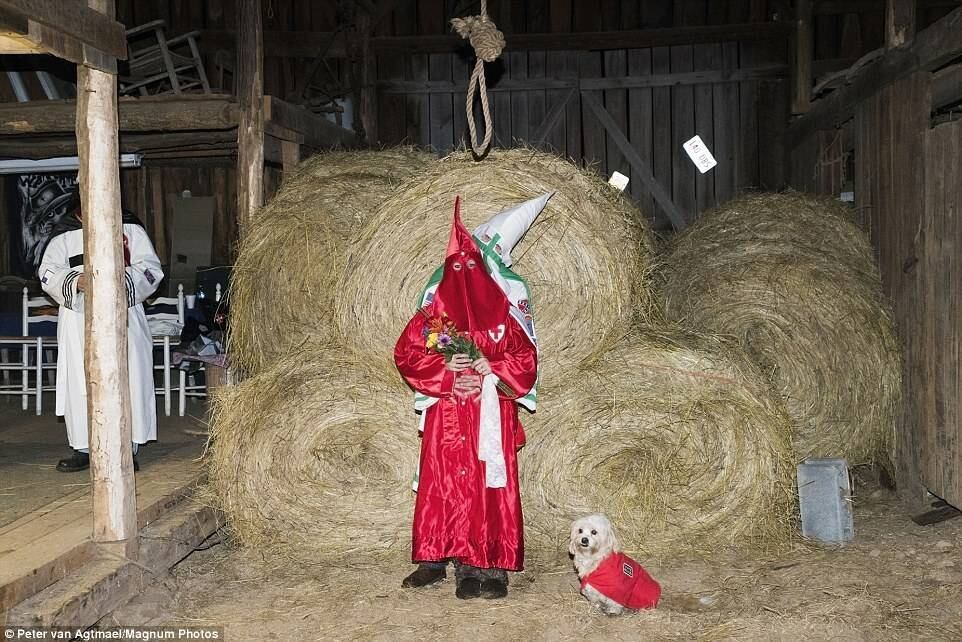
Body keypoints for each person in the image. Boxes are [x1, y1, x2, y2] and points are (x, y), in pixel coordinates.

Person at [394, 197, 538, 600]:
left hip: (492, 414)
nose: (464, 276)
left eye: (470, 268)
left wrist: (494, 369)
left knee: (490, 487)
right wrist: (446, 375)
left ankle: (492, 565)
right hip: (449, 417)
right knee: (443, 485)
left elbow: (526, 360)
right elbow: (406, 353)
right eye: (456, 268)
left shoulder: (504, 318)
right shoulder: (434, 320)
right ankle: (440, 560)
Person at [38, 203, 164, 472]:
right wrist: (75, 281)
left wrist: (120, 279)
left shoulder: (129, 227)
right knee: (81, 381)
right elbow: (47, 272)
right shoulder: (65, 233)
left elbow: (152, 270)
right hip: (78, 319)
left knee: (128, 379)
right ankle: (84, 448)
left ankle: (126, 449)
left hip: (124, 315)